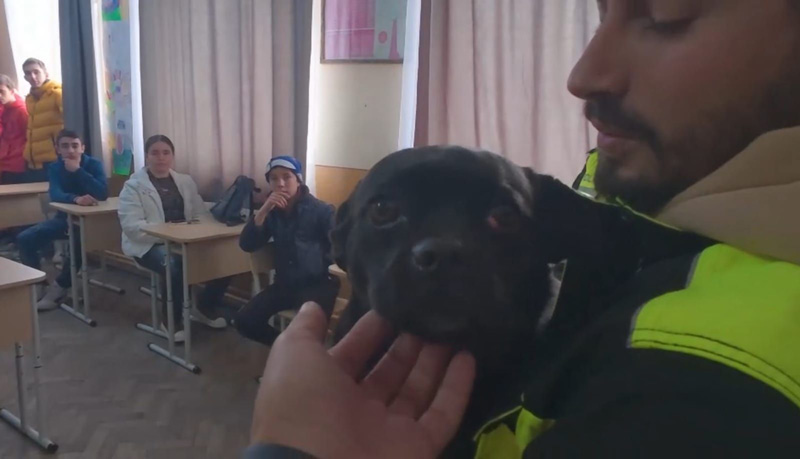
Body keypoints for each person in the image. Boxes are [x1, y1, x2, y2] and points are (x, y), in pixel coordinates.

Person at [243, 0, 800, 457]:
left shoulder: (708, 380)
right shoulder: (653, 235)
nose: (582, 76)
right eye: (601, 17)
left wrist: (291, 452)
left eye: (664, 17)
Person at [118, 134, 230, 342]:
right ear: (147, 156)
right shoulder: (132, 186)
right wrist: (168, 233)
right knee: (174, 265)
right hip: (149, 244)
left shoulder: (185, 181)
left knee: (225, 258)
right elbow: (132, 227)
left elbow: (199, 213)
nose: (161, 157)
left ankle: (204, 306)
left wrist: (208, 225)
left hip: (183, 241)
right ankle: (171, 318)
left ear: (173, 156)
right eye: (155, 153)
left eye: (166, 153)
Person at [234, 155, 339, 346]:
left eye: (287, 177)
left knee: (306, 334)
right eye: (274, 178)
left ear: (298, 180)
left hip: (319, 285)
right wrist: (263, 211)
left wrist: (320, 263)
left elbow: (339, 246)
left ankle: (298, 356)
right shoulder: (272, 212)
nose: (280, 183)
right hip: (285, 285)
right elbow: (247, 245)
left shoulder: (321, 210)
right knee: (244, 321)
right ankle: (285, 349)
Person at [17, 130, 107, 310]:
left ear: (82, 148)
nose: (71, 150)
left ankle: (60, 287)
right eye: (65, 146)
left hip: (91, 222)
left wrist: (78, 171)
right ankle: (39, 284)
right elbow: (55, 194)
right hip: (64, 219)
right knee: (24, 238)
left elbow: (102, 192)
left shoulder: (94, 164)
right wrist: (75, 199)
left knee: (78, 239)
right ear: (58, 149)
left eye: (75, 146)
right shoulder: (55, 167)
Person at [22, 58, 63, 182]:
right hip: (33, 163)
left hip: (53, 160)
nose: (33, 77)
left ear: (46, 73)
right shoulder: (29, 99)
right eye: (28, 73)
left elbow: (73, 123)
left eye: (36, 72)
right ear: (25, 77)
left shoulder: (57, 94)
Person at [0, 74, 29, 184]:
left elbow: (28, 136)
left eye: (2, 92)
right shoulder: (4, 109)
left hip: (17, 163)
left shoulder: (22, 110)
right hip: (4, 162)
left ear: (12, 91)